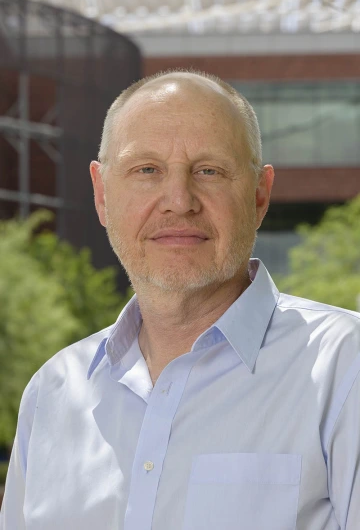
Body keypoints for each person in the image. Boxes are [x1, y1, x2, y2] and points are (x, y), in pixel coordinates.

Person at [1, 70, 359, 530]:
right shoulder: (52, 392)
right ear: (102, 193)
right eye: (146, 170)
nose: (178, 200)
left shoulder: (346, 369)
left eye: (209, 170)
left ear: (259, 194)